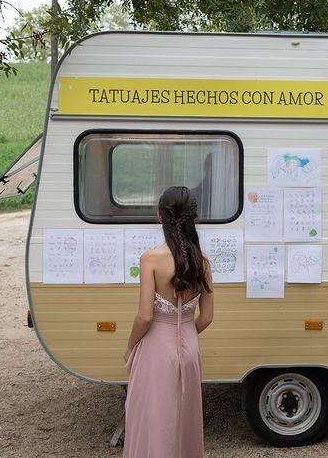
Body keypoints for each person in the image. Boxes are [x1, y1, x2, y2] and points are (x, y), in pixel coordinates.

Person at [123, 186, 214, 458]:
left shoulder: (150, 259)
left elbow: (145, 316)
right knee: (184, 418)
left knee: (153, 417)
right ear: (192, 218)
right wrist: (186, 332)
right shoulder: (203, 262)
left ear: (160, 216)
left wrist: (130, 347)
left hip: (155, 348)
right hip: (189, 348)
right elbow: (207, 317)